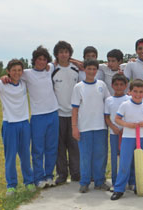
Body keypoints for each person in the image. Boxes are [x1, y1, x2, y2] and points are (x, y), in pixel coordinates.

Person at [0, 59, 35, 196]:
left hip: (24, 124)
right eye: (14, 70)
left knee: (26, 156)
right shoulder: (2, 85)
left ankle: (29, 182)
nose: (17, 73)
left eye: (19, 70)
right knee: (10, 157)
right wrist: (3, 78)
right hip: (9, 125)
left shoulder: (24, 83)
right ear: (8, 71)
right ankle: (11, 186)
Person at [111, 79, 143, 201]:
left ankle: (139, 186)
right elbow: (117, 119)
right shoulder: (125, 105)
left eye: (141, 92)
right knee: (125, 163)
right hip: (128, 138)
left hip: (142, 138)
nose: (138, 94)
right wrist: (127, 124)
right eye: (135, 91)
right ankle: (119, 189)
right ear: (130, 92)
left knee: (140, 163)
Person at [22, 46, 59, 188]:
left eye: (44, 59)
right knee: (38, 149)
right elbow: (13, 73)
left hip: (53, 113)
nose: (42, 62)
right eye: (39, 59)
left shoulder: (49, 68)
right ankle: (38, 178)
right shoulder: (27, 73)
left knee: (52, 147)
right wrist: (4, 78)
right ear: (34, 60)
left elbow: (61, 59)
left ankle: (49, 175)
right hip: (38, 116)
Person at [71, 59, 111, 193]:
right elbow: (75, 109)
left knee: (101, 155)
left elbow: (109, 102)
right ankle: (85, 182)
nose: (92, 72)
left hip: (100, 126)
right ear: (84, 70)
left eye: (94, 69)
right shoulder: (79, 87)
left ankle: (99, 181)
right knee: (85, 156)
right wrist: (74, 127)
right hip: (85, 127)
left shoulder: (102, 85)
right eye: (89, 69)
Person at [52, 41, 80, 185]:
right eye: (61, 52)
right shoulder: (53, 70)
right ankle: (62, 174)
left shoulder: (76, 69)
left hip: (74, 114)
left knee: (74, 146)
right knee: (59, 146)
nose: (64, 54)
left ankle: (76, 174)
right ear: (57, 54)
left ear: (70, 54)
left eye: (66, 51)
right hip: (58, 114)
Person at [104, 73, 130, 191]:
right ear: (112, 85)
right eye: (116, 84)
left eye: (121, 84)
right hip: (114, 133)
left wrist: (125, 127)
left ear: (126, 85)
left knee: (128, 157)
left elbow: (131, 116)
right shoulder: (109, 100)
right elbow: (107, 117)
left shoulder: (129, 99)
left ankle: (131, 181)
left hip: (127, 134)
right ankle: (116, 182)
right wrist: (113, 127)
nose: (119, 87)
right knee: (115, 158)